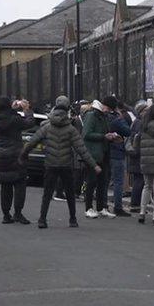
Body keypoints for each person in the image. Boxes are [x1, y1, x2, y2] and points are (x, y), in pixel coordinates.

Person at [21, 96, 101, 229]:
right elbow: (82, 149)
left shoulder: (47, 127)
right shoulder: (70, 129)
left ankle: (42, 219)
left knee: (47, 193)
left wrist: (23, 155)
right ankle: (72, 219)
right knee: (69, 193)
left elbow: (32, 142)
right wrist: (94, 165)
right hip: (65, 164)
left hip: (50, 163)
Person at [0, 97, 35, 224]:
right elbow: (29, 123)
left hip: (2, 155)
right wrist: (26, 109)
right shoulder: (14, 119)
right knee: (20, 184)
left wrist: (13, 109)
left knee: (5, 185)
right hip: (17, 154)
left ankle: (6, 214)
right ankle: (18, 213)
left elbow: (7, 117)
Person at [82, 99, 115, 219]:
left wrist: (110, 136)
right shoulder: (92, 116)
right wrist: (104, 136)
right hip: (93, 154)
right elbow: (86, 134)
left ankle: (101, 207)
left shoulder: (103, 117)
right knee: (91, 181)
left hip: (103, 153)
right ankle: (89, 207)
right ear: (104, 106)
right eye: (109, 108)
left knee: (102, 182)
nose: (109, 111)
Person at [103, 96, 132, 217]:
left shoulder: (102, 117)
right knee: (118, 181)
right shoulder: (117, 119)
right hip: (117, 152)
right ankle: (118, 206)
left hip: (105, 152)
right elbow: (128, 131)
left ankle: (103, 205)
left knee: (104, 180)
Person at [127, 101, 148, 214]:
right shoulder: (140, 123)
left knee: (138, 180)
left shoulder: (136, 122)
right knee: (139, 180)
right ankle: (135, 204)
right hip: (138, 155)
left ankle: (135, 204)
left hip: (135, 155)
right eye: (145, 110)